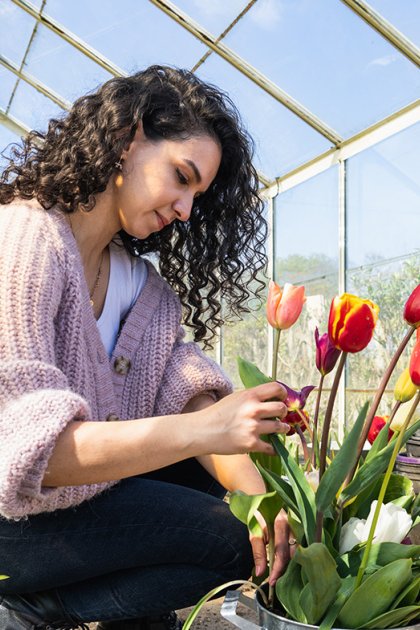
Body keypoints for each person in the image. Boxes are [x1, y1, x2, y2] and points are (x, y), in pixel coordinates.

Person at [0, 65, 293, 630]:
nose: (185, 209)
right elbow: (29, 453)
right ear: (127, 139)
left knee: (228, 499)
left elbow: (191, 398)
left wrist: (267, 510)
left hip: (79, 506)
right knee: (221, 536)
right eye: (181, 177)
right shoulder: (23, 239)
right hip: (12, 518)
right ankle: (34, 605)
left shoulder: (142, 289)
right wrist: (205, 433)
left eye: (197, 195)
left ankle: (119, 612)